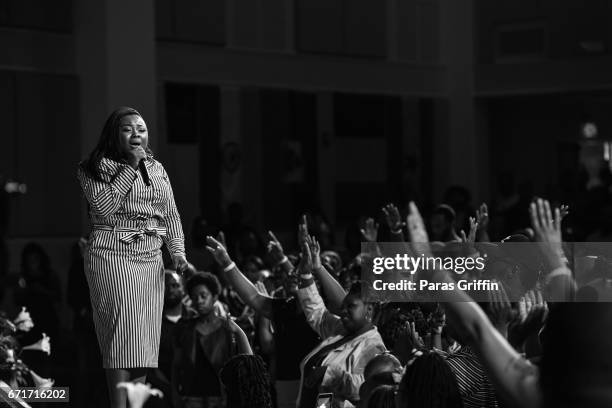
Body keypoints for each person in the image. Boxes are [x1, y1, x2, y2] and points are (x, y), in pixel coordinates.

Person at [77, 106, 188, 408]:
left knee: (143, 341)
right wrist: (130, 166)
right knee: (122, 334)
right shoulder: (93, 168)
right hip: (112, 252)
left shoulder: (157, 168)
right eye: (128, 128)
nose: (137, 133)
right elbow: (103, 207)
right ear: (115, 134)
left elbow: (171, 214)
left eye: (141, 128)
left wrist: (177, 252)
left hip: (151, 256)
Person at [295, 237, 386, 408]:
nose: (343, 311)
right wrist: (307, 273)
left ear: (369, 310)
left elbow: (368, 386)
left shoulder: (373, 345)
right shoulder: (340, 330)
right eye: (343, 306)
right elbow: (318, 313)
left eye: (350, 306)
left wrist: (329, 373)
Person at [172, 272, 252, 408]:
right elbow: (176, 365)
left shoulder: (228, 327)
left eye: (204, 296)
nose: (199, 301)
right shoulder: (184, 327)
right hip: (191, 397)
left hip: (221, 398)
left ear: (214, 297)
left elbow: (246, 362)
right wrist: (175, 394)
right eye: (194, 297)